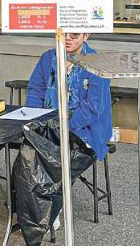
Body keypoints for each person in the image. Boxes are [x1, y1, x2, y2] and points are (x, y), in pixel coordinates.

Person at [25, 33, 112, 161]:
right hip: (48, 125)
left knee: (47, 159)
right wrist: (37, 121)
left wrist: (63, 126)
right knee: (31, 155)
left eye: (74, 35)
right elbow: (35, 92)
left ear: (86, 36)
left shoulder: (97, 62)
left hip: (85, 129)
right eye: (63, 34)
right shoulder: (47, 58)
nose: (67, 38)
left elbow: (94, 107)